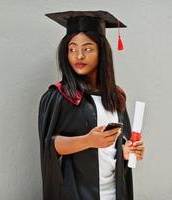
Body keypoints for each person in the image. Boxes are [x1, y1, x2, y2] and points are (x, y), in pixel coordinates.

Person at [38, 11, 145, 200]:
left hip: (114, 193)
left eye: (87, 49)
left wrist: (127, 151)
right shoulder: (60, 95)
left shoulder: (115, 96)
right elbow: (50, 146)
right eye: (72, 49)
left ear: (101, 51)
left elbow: (114, 147)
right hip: (77, 193)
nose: (78, 55)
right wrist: (88, 140)